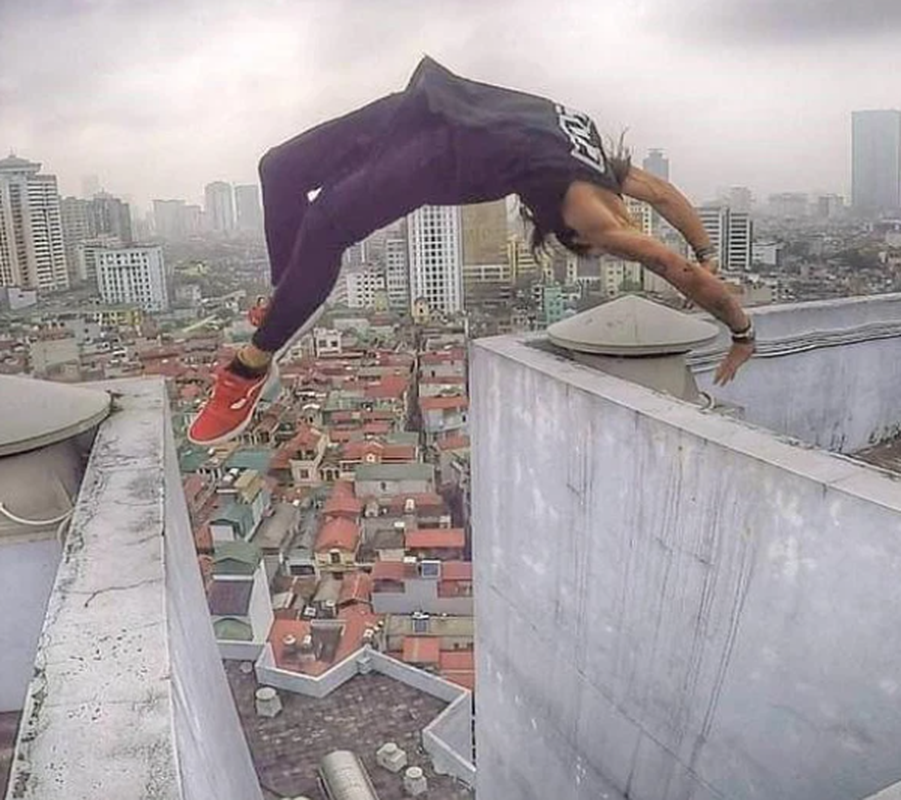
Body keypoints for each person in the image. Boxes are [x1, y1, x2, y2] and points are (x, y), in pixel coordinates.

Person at [187, 56, 756, 446]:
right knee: (278, 169)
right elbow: (671, 260)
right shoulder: (591, 213)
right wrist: (740, 329)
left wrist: (705, 251)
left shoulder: (594, 160)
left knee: (323, 223)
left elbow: (663, 200)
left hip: (435, 148)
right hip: (425, 108)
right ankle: (290, 295)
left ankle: (248, 370)